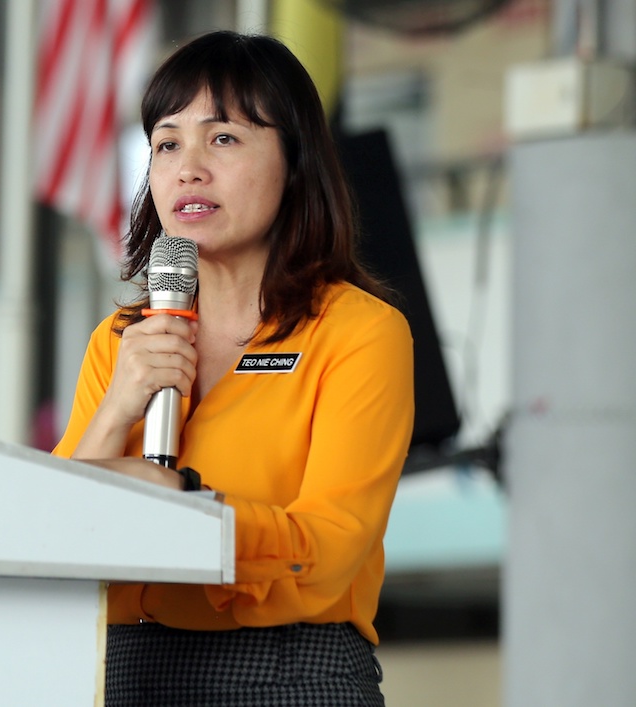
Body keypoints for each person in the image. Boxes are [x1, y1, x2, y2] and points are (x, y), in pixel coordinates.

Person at [53, 30, 414, 707]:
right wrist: (117, 408)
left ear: (295, 162)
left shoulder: (359, 332)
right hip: (120, 668)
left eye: (222, 138)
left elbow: (330, 546)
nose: (188, 167)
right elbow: (49, 531)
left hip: (287, 670)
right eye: (166, 143)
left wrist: (185, 507)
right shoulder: (120, 340)